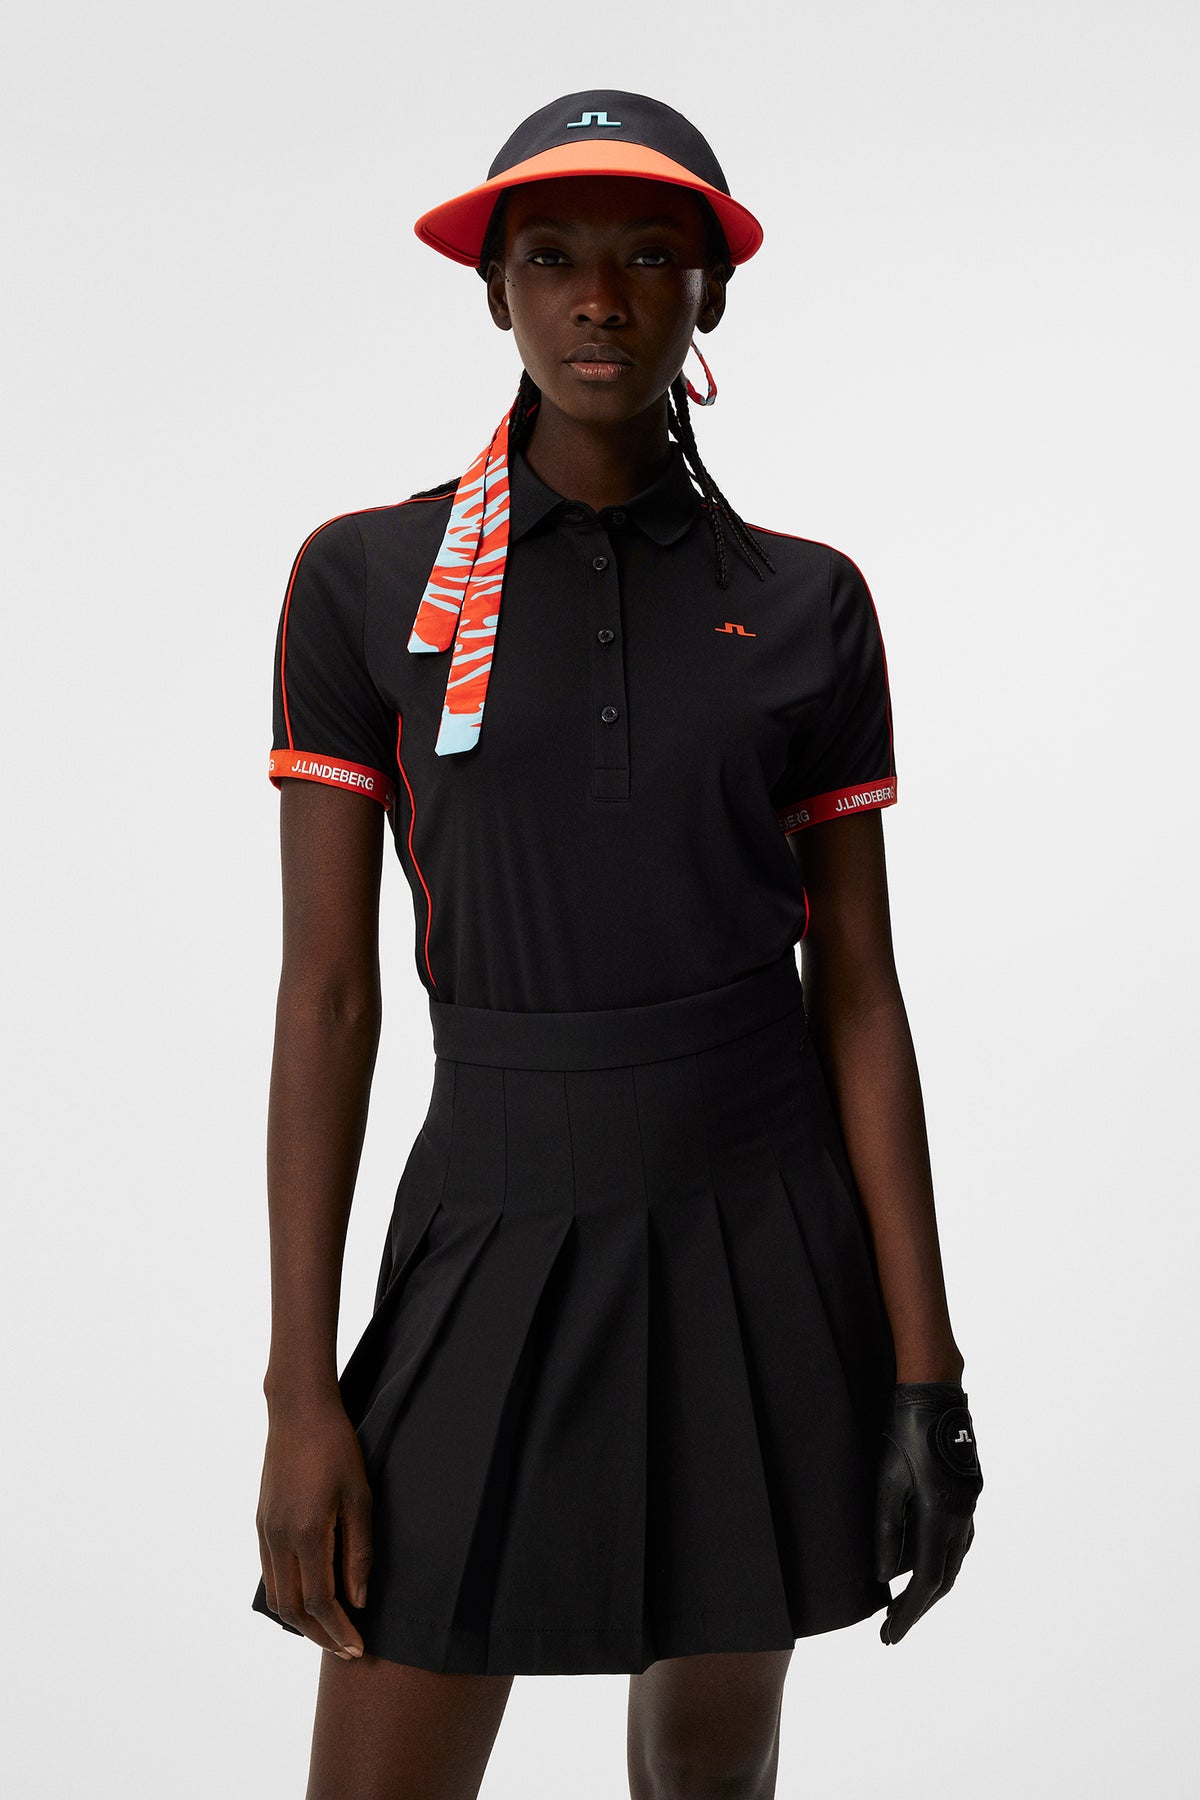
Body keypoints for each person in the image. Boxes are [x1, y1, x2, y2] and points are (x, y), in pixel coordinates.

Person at [250, 89, 983, 1800]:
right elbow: (330, 997)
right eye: (552, 258)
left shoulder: (804, 605)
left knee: (709, 1778)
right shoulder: (362, 585)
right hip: (490, 1218)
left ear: (711, 293)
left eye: (652, 257)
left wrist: (925, 1372)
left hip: (757, 1229)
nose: (601, 298)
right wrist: (298, 1392)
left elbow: (858, 1001)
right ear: (492, 289)